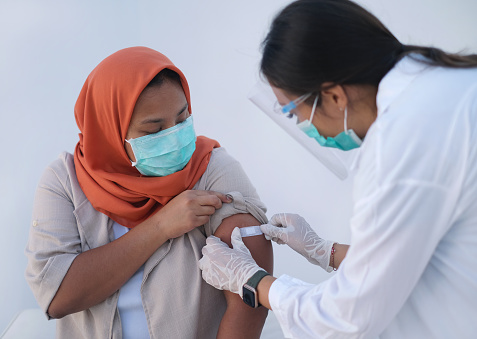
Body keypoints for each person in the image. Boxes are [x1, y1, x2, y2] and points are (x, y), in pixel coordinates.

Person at [198, 0, 477, 338]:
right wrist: (325, 251)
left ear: (333, 97)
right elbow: (405, 255)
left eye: (292, 113)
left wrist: (252, 281)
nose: (302, 125)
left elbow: (348, 317)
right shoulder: (446, 84)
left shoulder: (401, 142)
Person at [25, 47, 273, 339]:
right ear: (109, 130)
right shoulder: (64, 182)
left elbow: (250, 294)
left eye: (182, 120)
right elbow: (57, 296)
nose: (174, 137)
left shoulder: (212, 168)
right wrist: (160, 226)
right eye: (153, 130)